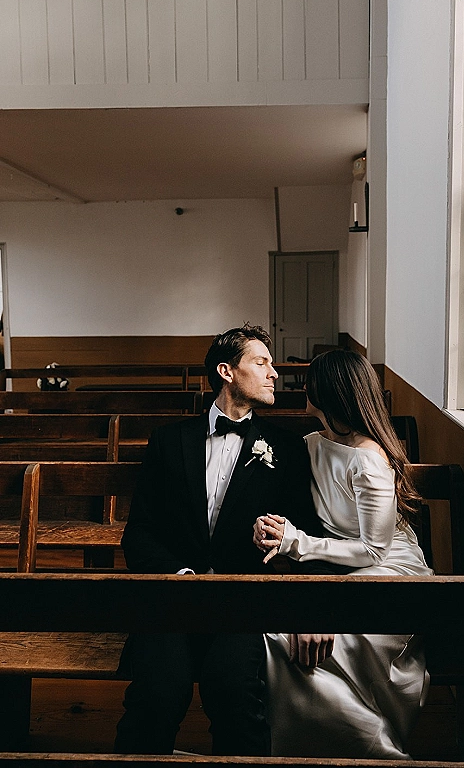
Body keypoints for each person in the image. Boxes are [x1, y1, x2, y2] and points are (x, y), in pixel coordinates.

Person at [114, 324, 334, 756]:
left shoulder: (285, 449)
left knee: (233, 693)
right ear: (227, 371)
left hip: (243, 602)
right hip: (173, 599)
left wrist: (309, 607)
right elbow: (138, 531)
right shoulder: (168, 441)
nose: (274, 373)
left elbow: (307, 535)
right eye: (262, 362)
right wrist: (179, 576)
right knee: (157, 696)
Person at [254, 349, 433, 759]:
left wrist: (296, 542)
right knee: (281, 637)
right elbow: (289, 499)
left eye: (310, 383)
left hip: (387, 567)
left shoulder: (370, 459)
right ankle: (315, 746)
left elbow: (374, 549)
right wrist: (267, 524)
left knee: (337, 639)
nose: (301, 387)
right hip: (337, 561)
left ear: (328, 392)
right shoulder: (312, 443)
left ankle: (367, 744)